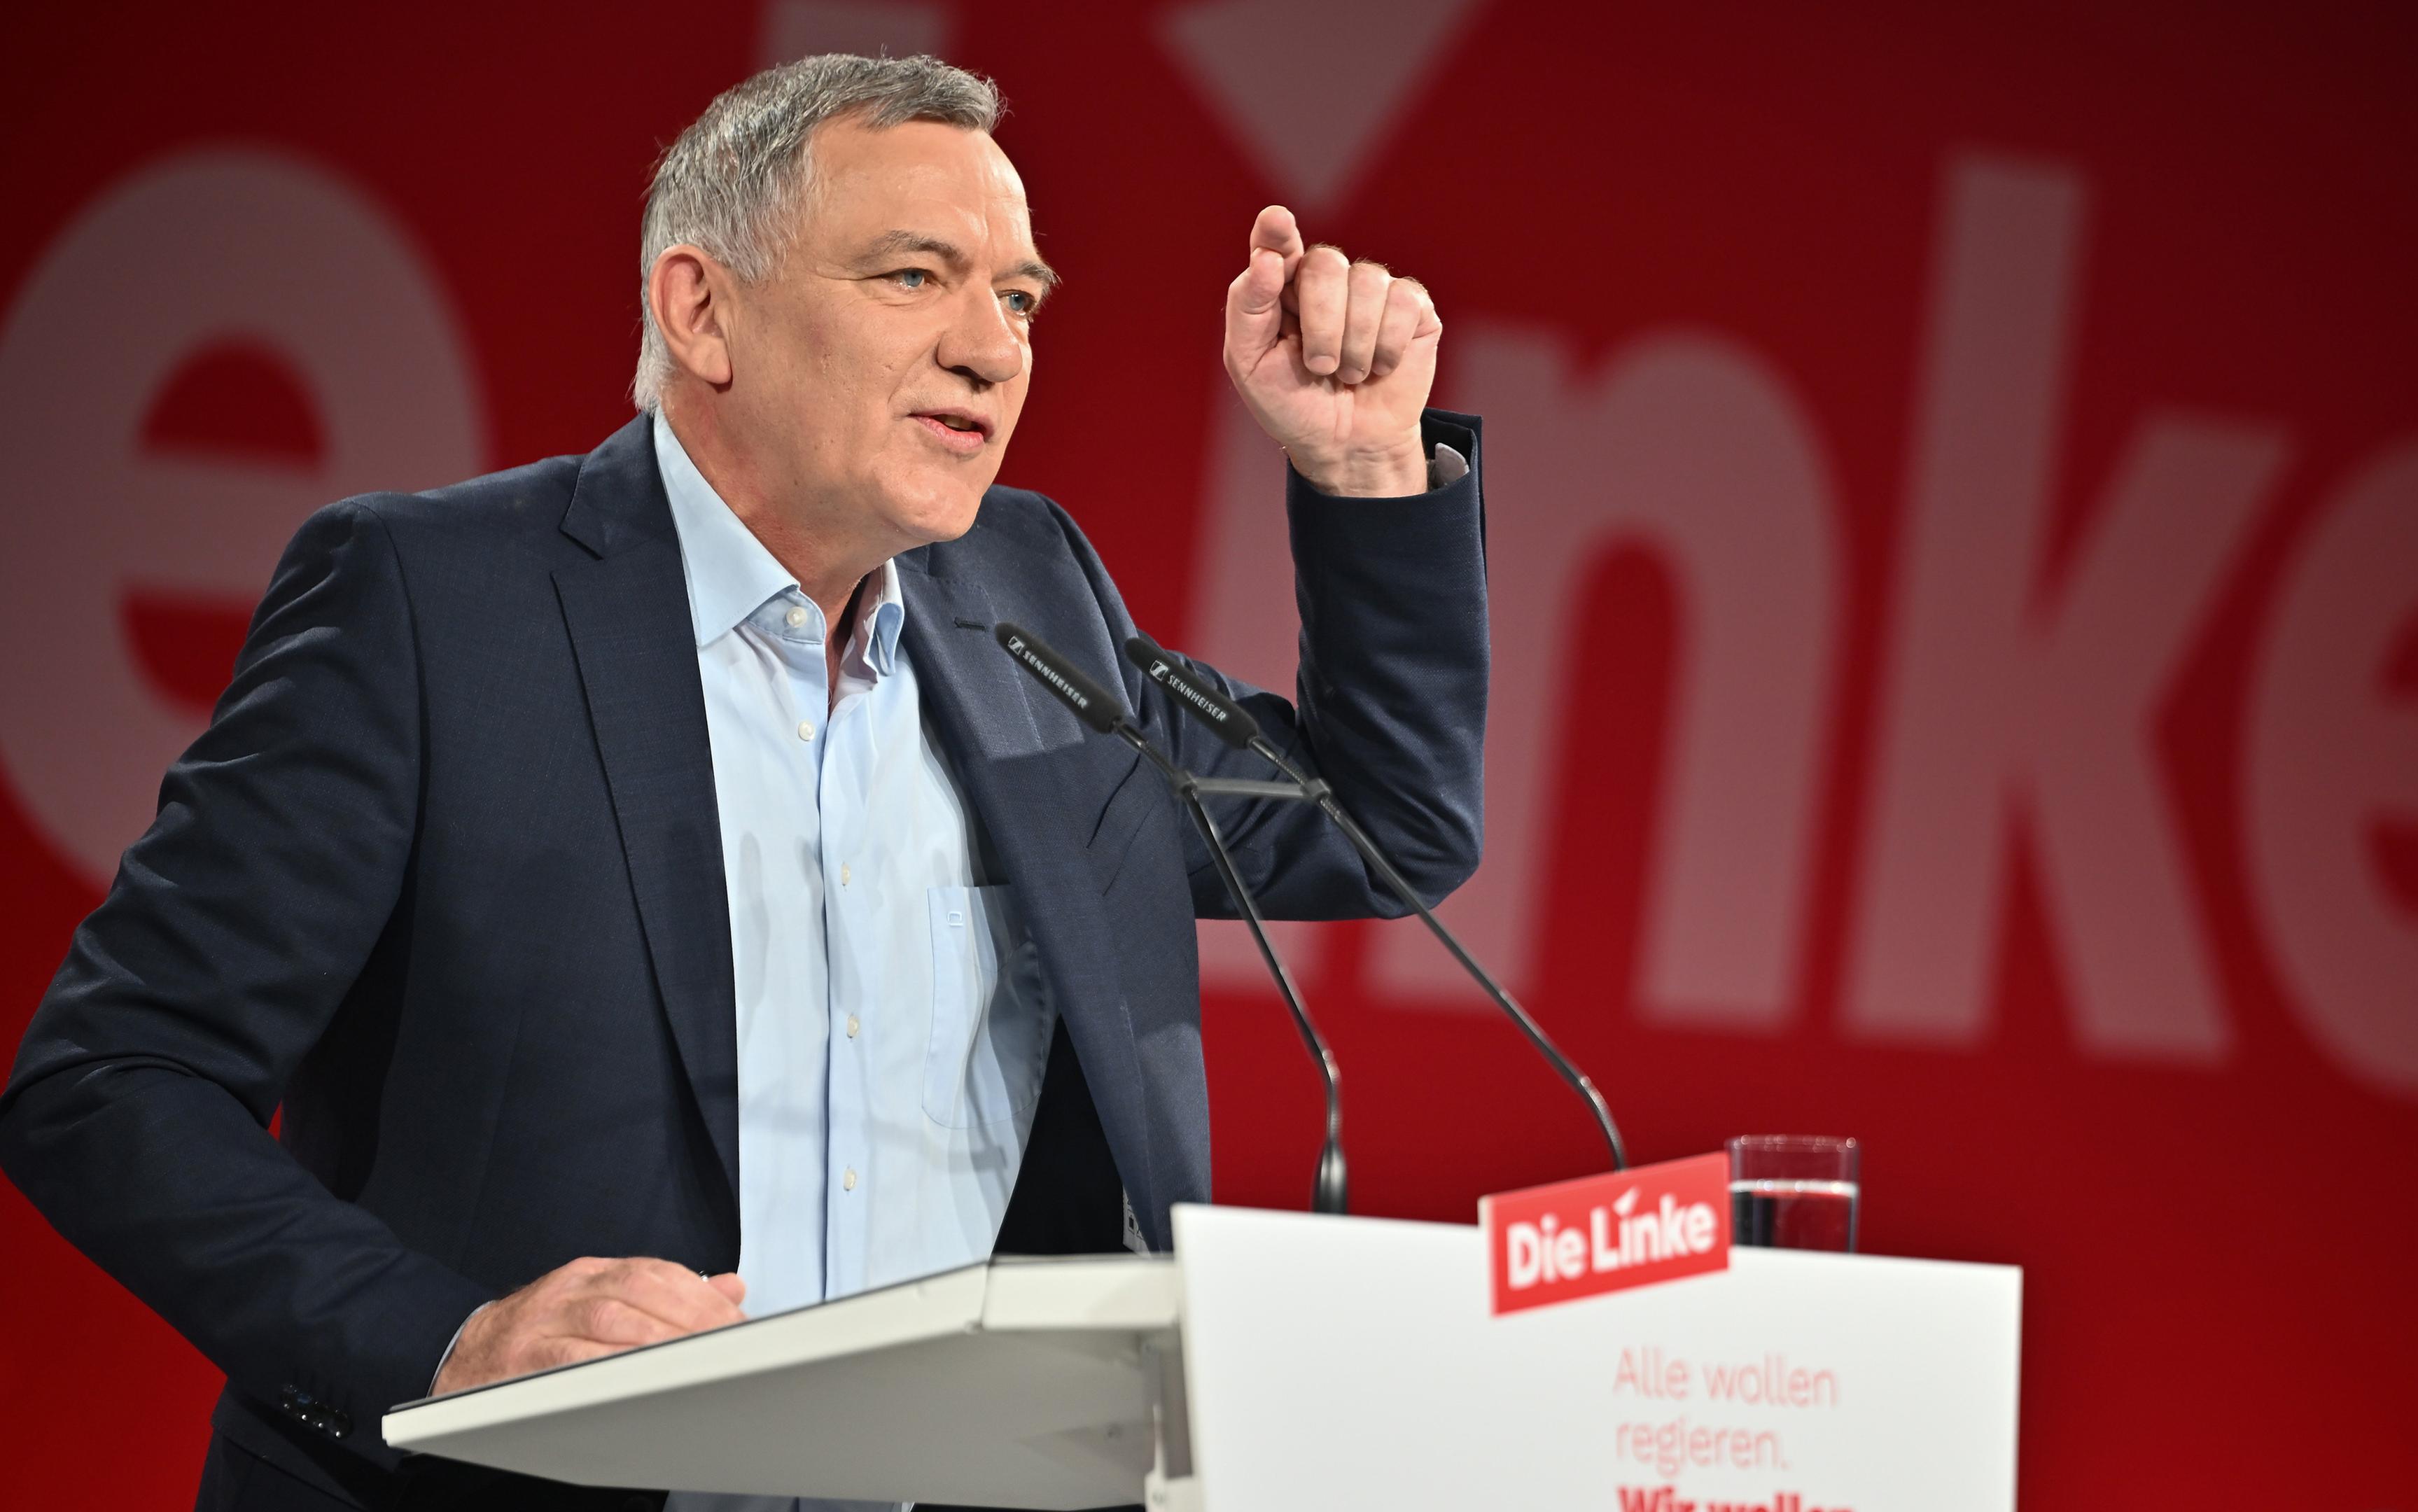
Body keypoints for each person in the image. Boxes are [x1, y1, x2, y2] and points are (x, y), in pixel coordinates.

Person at [0, 53, 1488, 1512]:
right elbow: (112, 1079)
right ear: (702, 311)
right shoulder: (435, 608)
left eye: (1020, 298)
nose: (993, 349)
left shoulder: (1031, 596)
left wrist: (1366, 468)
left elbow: (1385, 828)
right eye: (915, 276)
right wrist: (441, 1343)